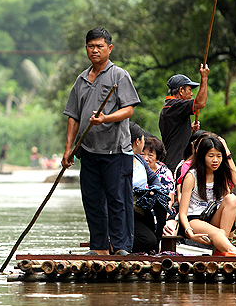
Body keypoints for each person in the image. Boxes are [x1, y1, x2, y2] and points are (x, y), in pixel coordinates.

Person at [62, 27, 141, 256]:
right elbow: (73, 117)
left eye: (99, 46)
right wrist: (68, 150)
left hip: (116, 151)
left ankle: (121, 248)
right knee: (93, 201)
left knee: (118, 201)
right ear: (86, 48)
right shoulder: (81, 79)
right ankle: (99, 248)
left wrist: (106, 118)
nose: (95, 50)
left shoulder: (119, 75)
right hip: (88, 150)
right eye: (90, 46)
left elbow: (128, 110)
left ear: (109, 48)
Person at [158, 65, 209, 172]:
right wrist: (204, 78)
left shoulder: (169, 107)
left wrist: (189, 130)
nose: (191, 94)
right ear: (181, 90)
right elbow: (200, 103)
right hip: (176, 164)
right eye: (189, 90)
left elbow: (174, 133)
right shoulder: (175, 105)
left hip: (172, 162)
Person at [129, 123, 171, 253]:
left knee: (160, 199)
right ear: (137, 142)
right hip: (127, 208)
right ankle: (116, 244)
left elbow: (153, 178)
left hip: (142, 205)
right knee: (148, 241)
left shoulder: (139, 160)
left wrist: (155, 189)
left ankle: (158, 242)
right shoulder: (121, 161)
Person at [142, 135, 179, 236]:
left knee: (168, 230)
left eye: (150, 155)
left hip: (161, 212)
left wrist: (162, 220)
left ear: (157, 158)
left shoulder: (165, 173)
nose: (145, 158)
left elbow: (169, 200)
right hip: (140, 211)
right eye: (142, 154)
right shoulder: (135, 169)